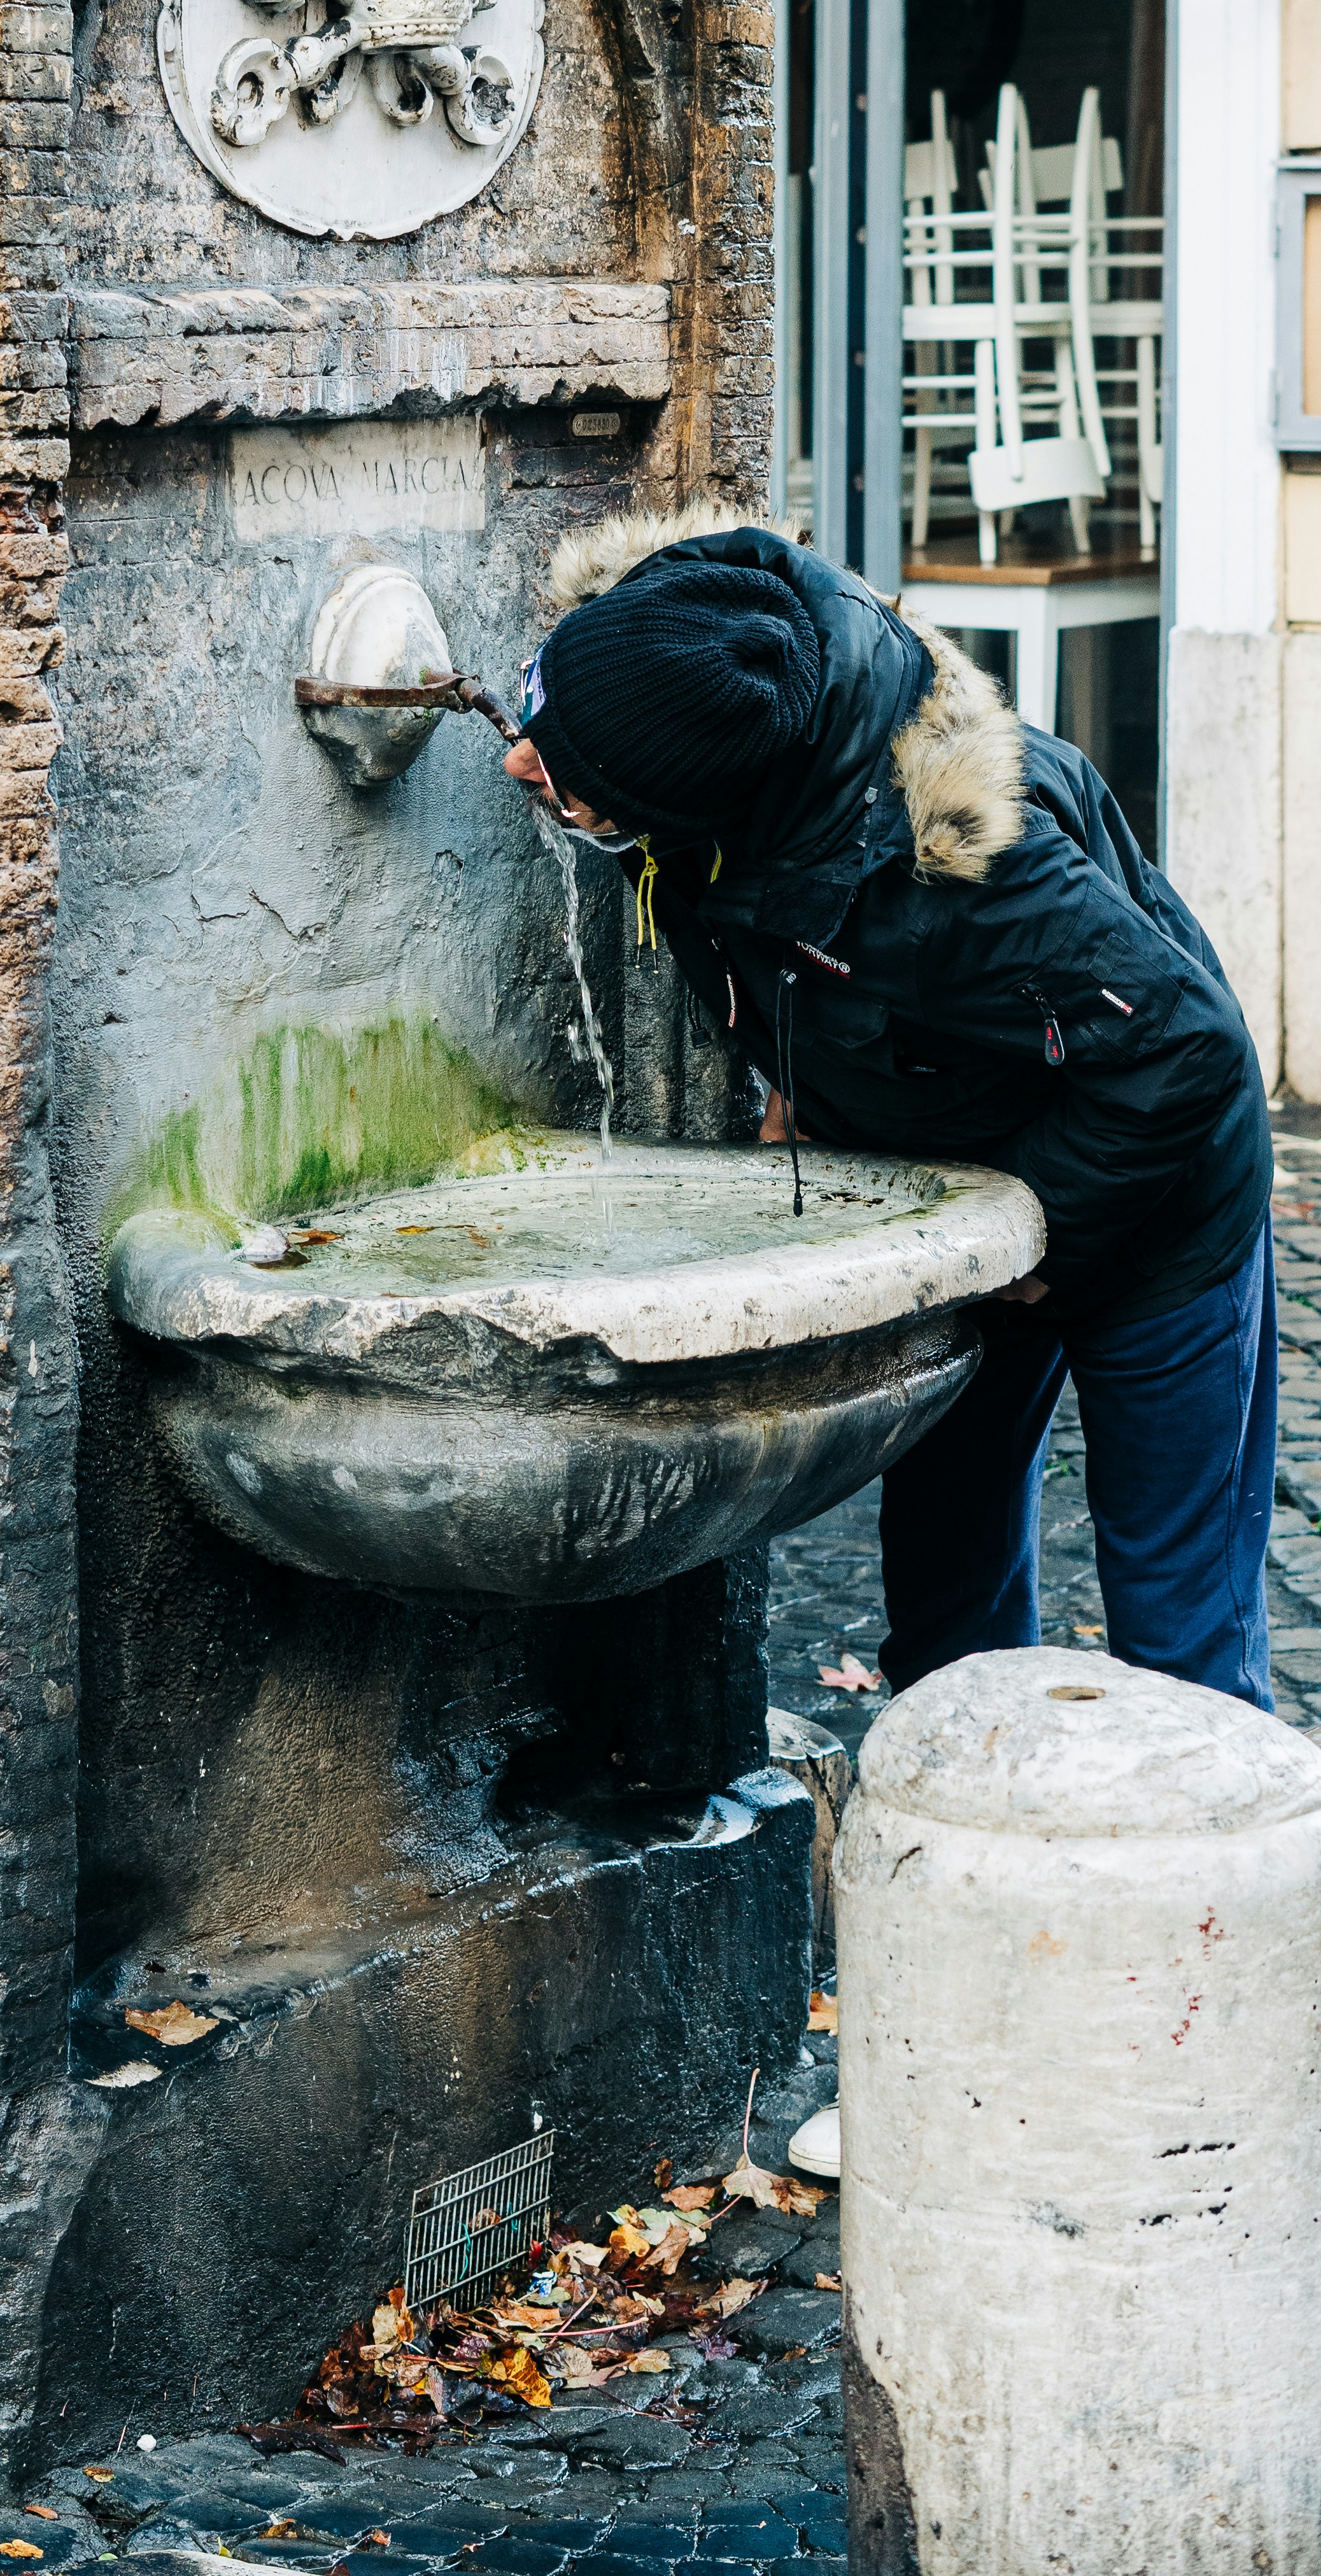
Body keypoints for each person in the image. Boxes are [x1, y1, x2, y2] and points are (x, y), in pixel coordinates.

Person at [503, 505, 1276, 1708]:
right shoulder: (712, 687)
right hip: (957, 1184)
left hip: (1161, 1207)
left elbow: (1193, 1051)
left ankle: (1221, 1879)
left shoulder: (974, 876)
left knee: (1180, 1643)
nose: (520, 764)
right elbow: (775, 926)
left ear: (677, 800)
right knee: (946, 1618)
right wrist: (799, 1081)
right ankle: (971, 1861)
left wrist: (1045, 1234)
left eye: (565, 775)